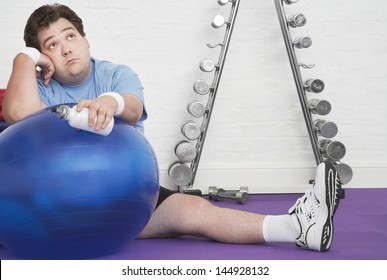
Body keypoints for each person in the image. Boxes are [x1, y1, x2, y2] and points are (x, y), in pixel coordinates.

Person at [3, 4, 343, 253]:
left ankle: (298, 227)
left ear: (86, 40)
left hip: (125, 201)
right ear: (42, 55)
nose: (64, 48)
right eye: (50, 45)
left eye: (70, 36)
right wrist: (24, 57)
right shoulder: (39, 85)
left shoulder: (115, 74)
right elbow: (18, 113)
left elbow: (132, 108)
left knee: (193, 211)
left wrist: (112, 102)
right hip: (48, 210)